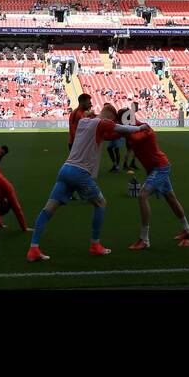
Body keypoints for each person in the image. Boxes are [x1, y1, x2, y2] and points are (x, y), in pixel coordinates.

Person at [26, 103, 145, 262]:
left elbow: (110, 135)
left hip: (65, 170)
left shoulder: (84, 122)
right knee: (101, 204)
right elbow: (120, 129)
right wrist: (140, 128)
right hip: (80, 173)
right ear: (109, 117)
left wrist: (122, 133)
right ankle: (95, 245)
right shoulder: (102, 122)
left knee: (48, 209)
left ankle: (33, 248)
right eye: (113, 119)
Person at [121, 111, 189, 250]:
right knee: (170, 197)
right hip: (154, 169)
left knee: (142, 196)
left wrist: (123, 130)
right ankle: (187, 229)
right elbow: (111, 134)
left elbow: (136, 139)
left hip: (160, 167)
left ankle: (144, 239)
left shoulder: (144, 127)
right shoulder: (130, 130)